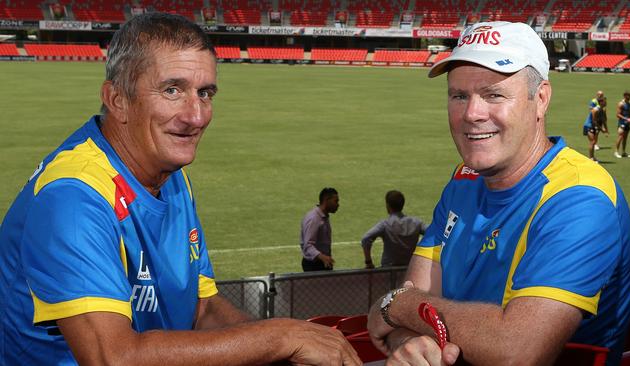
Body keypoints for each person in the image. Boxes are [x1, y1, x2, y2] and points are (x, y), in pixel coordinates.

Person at [0, 13, 361, 366]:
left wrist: (283, 353)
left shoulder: (171, 177)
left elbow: (202, 307)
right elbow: (112, 357)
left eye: (205, 93)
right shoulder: (73, 197)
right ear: (117, 100)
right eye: (172, 90)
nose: (197, 116)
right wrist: (280, 337)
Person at [367, 21, 630, 366]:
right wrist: (407, 339)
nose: (472, 114)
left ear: (540, 99)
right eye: (459, 95)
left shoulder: (579, 198)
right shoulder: (464, 181)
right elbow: (417, 293)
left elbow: (517, 352)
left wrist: (396, 307)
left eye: (493, 94)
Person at [361, 190, 426, 269]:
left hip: (388, 271)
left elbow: (366, 239)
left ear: (388, 206)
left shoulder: (385, 224)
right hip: (410, 269)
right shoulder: (416, 223)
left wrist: (369, 262)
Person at [300, 187, 339, 271]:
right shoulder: (314, 219)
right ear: (326, 200)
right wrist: (323, 257)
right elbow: (308, 245)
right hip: (314, 265)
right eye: (335, 201)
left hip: (322, 262)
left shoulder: (323, 216)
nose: (338, 205)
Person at [583, 95, 607, 162]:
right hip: (589, 126)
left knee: (594, 142)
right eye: (605, 101)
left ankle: (592, 157)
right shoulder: (595, 110)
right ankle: (591, 158)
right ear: (601, 102)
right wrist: (602, 129)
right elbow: (594, 121)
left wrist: (605, 129)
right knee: (592, 142)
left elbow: (603, 120)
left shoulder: (602, 110)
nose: (606, 103)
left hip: (593, 126)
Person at [615, 90, 630, 158]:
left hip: (627, 123)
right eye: (628, 96)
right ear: (625, 96)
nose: (629, 97)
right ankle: (616, 152)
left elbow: (629, 113)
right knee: (620, 137)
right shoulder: (621, 104)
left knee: (625, 138)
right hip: (622, 123)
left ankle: (623, 152)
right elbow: (618, 114)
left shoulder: (629, 104)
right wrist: (626, 119)